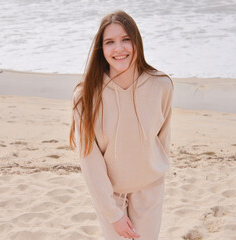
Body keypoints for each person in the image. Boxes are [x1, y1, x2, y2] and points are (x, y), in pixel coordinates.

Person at [69, 10, 174, 240]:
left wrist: (155, 174)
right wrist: (112, 213)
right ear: (101, 49)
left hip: (149, 188)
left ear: (137, 42)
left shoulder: (161, 86)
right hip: (110, 193)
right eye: (110, 42)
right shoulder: (84, 95)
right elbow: (89, 159)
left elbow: (162, 140)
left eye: (126, 39)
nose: (119, 49)